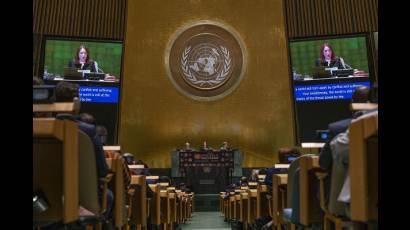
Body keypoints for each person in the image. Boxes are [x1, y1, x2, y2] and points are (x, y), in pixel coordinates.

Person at [53, 81, 114, 229]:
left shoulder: (42, 128)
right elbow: (102, 170)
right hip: (81, 200)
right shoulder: (88, 131)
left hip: (43, 199)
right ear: (76, 102)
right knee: (109, 197)